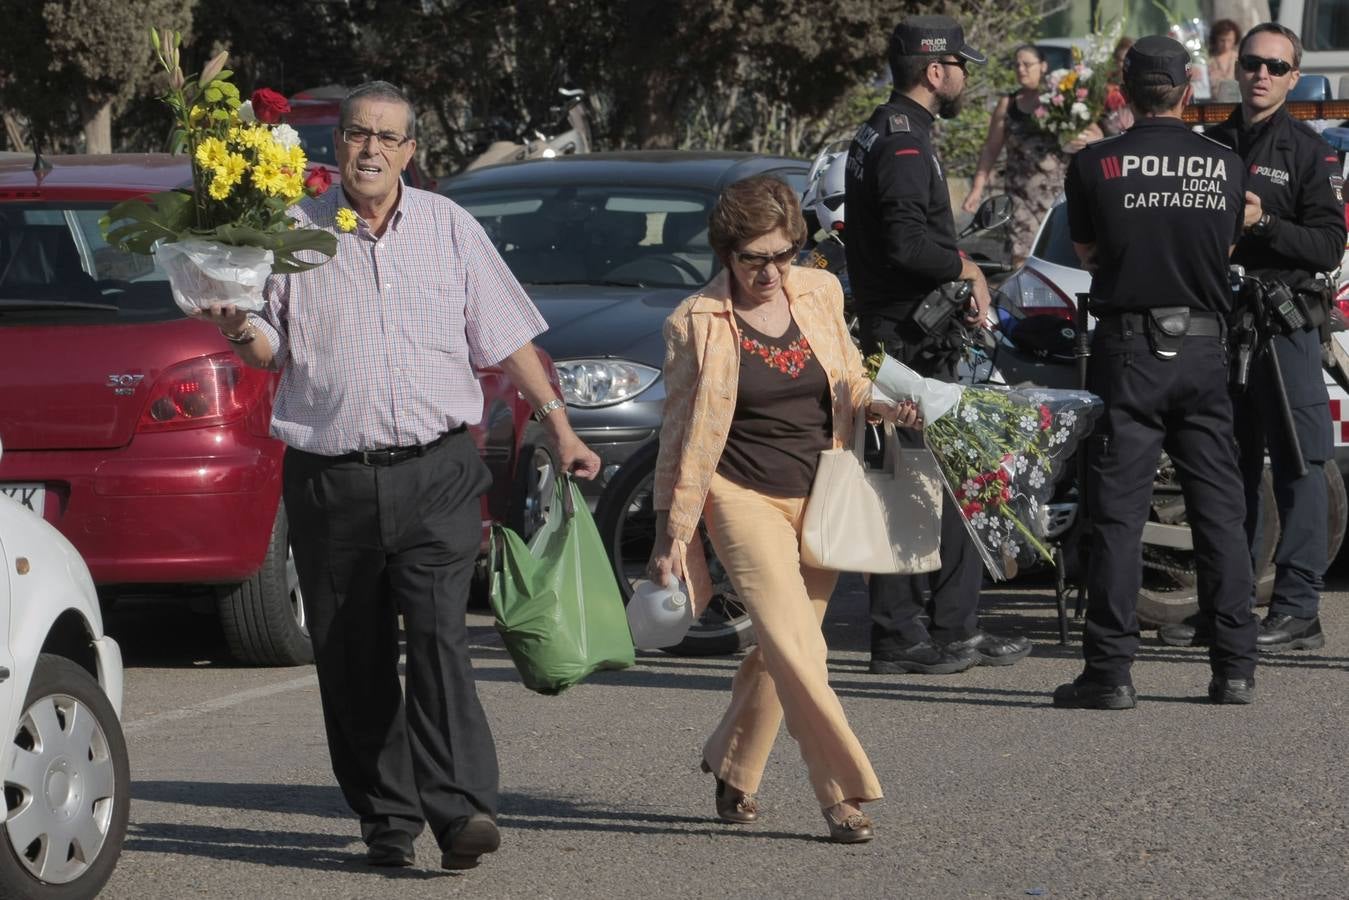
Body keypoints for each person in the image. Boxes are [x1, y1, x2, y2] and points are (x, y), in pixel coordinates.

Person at [198, 81, 601, 870]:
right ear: (337, 146)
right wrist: (239, 323)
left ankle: (460, 813)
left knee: (442, 637)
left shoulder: (450, 228)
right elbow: (267, 350)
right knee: (352, 654)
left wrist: (560, 426)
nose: (372, 150)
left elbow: (507, 337)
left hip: (437, 473)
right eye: (358, 135)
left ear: (412, 151)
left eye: (388, 137)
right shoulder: (290, 232)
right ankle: (387, 819)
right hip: (330, 476)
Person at [646, 175, 916, 844]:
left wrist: (876, 404)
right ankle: (840, 794)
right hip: (740, 496)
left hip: (823, 492)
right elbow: (678, 434)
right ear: (725, 254)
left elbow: (847, 373)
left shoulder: (819, 292)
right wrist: (669, 532)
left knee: (781, 650)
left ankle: (731, 766)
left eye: (782, 255)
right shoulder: (694, 323)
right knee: (799, 649)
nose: (769, 272)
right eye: (752, 259)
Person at [1054, 36, 1258, 710]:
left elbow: (1087, 252)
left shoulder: (1092, 164)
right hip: (1203, 350)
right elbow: (1224, 243)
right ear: (1186, 87)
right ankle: (1234, 668)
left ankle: (1108, 673)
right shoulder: (1226, 165)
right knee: (1219, 512)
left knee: (1117, 515)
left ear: (1124, 89)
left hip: (1129, 349)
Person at [846, 15, 1032, 676]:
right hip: (905, 338)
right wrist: (966, 267)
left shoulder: (901, 131)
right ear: (934, 70)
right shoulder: (900, 141)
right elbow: (903, 243)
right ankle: (897, 635)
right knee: (908, 486)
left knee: (951, 482)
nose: (963, 78)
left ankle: (954, 627)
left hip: (914, 334)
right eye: (959, 65)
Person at [1161, 24, 1347, 653]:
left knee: (1300, 466)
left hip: (1284, 325)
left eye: (1276, 66)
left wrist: (1262, 220)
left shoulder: (1307, 152)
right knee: (1223, 470)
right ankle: (1225, 608)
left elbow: (1327, 246)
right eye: (1251, 63)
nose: (1261, 75)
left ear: (1294, 77)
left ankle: (1298, 610)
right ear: (1236, 70)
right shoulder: (1207, 145)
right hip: (1219, 326)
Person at [964, 45, 1102, 262]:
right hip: (1020, 197)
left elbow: (1096, 136)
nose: (1021, 69)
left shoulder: (1063, 99)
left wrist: (1084, 141)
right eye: (1017, 65)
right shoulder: (1007, 104)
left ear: (1043, 66)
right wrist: (977, 188)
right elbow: (991, 148)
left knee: (1058, 259)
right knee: (1021, 258)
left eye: (1027, 64)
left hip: (1059, 197)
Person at [1207, 19, 1243, 85]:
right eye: (1222, 40)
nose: (1225, 45)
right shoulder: (1208, 59)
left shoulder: (1240, 59)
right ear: (1215, 39)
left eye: (1229, 40)